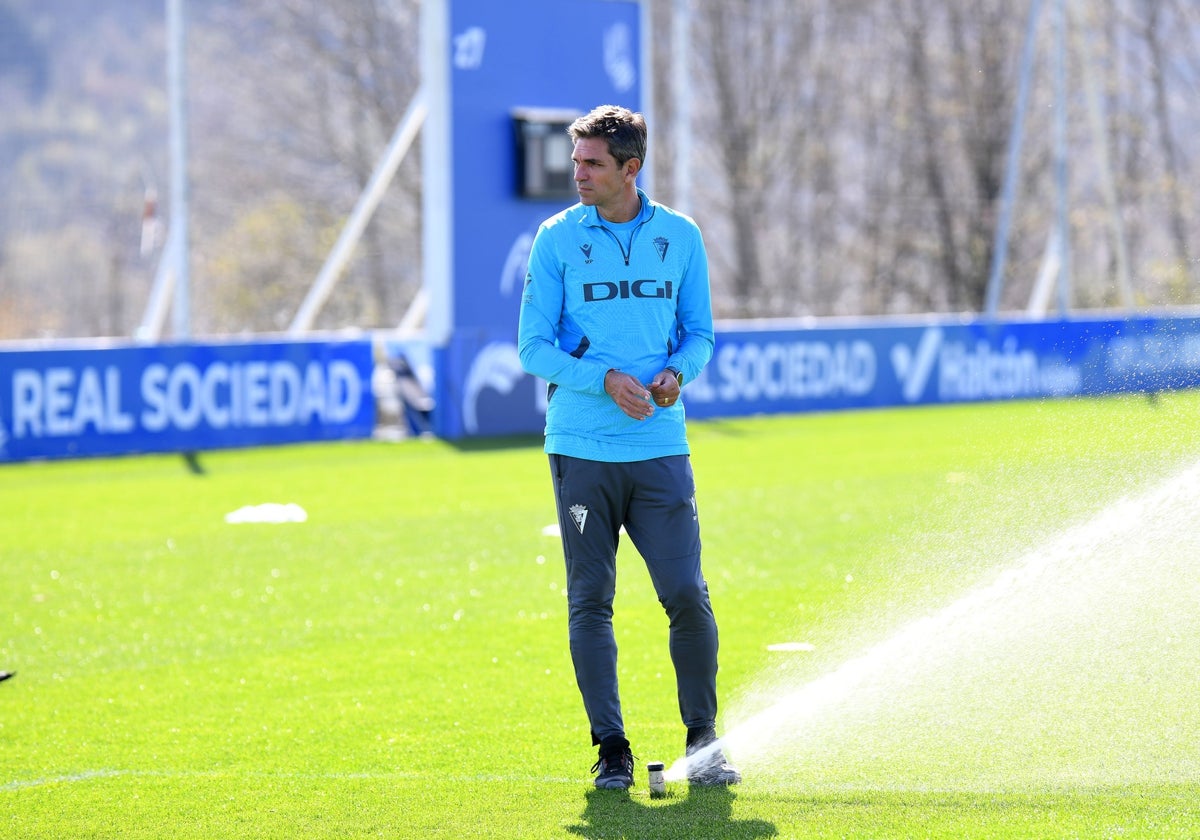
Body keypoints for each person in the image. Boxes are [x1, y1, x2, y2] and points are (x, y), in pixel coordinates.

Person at [517, 104, 740, 791]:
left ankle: (704, 743)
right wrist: (603, 380)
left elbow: (699, 334)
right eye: (576, 161)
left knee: (686, 594)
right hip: (581, 449)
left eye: (591, 164)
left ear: (630, 169)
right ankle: (610, 748)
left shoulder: (680, 236)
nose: (576, 174)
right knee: (591, 601)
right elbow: (533, 347)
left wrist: (677, 374)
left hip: (660, 449)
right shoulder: (555, 239)